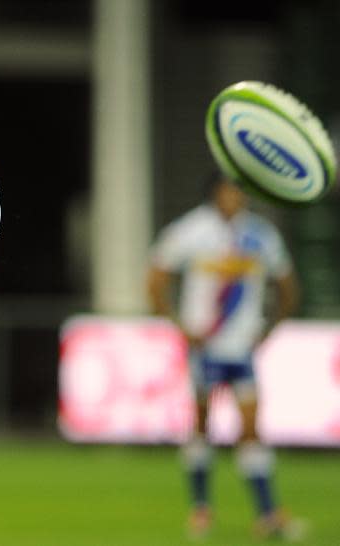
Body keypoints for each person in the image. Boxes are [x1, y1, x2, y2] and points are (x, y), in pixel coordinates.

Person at [147, 174, 300, 539]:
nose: (236, 198)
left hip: (241, 349)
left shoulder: (260, 234)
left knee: (250, 429)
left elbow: (287, 284)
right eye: (230, 192)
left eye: (239, 193)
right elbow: (155, 278)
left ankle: (267, 514)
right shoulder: (191, 230)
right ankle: (201, 508)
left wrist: (270, 328)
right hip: (206, 346)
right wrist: (180, 325)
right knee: (202, 425)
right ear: (215, 195)